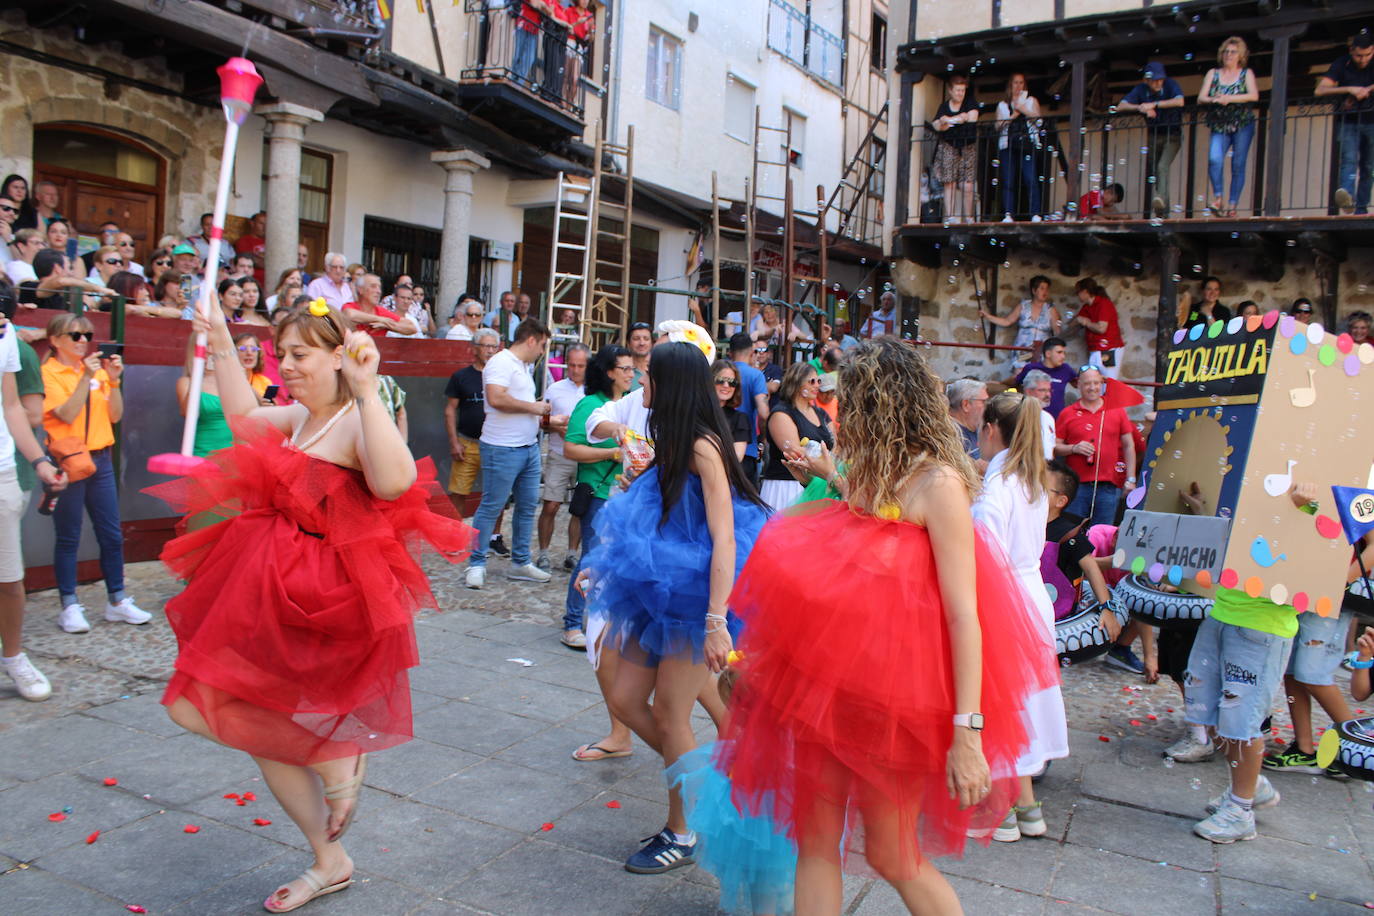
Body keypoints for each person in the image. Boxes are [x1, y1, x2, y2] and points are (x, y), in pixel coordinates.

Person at [148, 298, 472, 912]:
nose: (287, 366)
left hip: (325, 599)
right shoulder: (302, 416)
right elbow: (245, 419)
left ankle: (335, 798)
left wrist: (368, 386)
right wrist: (219, 334)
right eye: (282, 353)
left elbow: (397, 482)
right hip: (267, 587)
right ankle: (334, 814)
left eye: (300, 354)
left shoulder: (353, 418)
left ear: (337, 356)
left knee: (259, 715)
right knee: (218, 713)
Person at [720, 338, 1058, 913]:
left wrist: (967, 734)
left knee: (893, 856)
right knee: (816, 843)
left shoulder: (939, 485)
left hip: (894, 705)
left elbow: (963, 615)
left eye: (848, 406)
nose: (837, 417)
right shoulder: (864, 475)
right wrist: (750, 661)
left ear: (882, 407)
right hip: (827, 694)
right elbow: (827, 586)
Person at [581, 339, 769, 875]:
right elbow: (647, 510)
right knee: (624, 697)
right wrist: (605, 564)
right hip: (659, 585)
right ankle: (704, 785)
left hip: (696, 595)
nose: (642, 385)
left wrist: (716, 621)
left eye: (647, 377)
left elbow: (725, 538)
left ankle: (683, 829)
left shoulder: (705, 445)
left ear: (668, 385)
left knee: (671, 711)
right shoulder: (671, 436)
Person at [1184, 482, 1324, 843]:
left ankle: (1241, 810)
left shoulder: (1313, 498)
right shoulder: (1256, 484)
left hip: (1264, 627)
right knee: (1208, 712)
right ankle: (1251, 785)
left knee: (1241, 720)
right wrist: (1203, 508)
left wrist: (1302, 506)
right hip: (1224, 612)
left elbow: (1319, 546)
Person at [972, 391, 1067, 842]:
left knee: (996, 700)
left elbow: (983, 553)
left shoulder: (1000, 486)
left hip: (1002, 595)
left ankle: (1000, 811)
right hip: (1030, 596)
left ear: (990, 430)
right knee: (1019, 699)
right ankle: (1027, 807)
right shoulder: (1029, 480)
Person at [41, 312, 148, 634]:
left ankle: (117, 599)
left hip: (100, 458)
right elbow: (66, 413)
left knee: (111, 534)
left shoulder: (97, 373)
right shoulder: (50, 373)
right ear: (56, 340)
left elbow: (115, 415)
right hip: (69, 458)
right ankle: (69, 605)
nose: (83, 341)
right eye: (75, 336)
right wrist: (86, 382)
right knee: (69, 536)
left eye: (87, 335)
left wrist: (113, 380)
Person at [0, 293, 67, 700]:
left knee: (9, 579)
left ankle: (13, 658)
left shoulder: (6, 336)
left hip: (3, 468)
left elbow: (11, 408)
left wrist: (40, 461)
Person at [464, 319, 555, 589]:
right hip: (501, 447)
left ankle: (520, 562)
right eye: (542, 345)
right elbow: (496, 398)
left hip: (527, 447)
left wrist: (541, 415)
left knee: (527, 506)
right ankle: (476, 563)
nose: (542, 351)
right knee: (492, 506)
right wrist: (534, 408)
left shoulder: (522, 366)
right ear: (531, 340)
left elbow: (512, 403)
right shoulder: (501, 362)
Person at [561, 344, 632, 658]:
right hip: (598, 492)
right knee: (590, 560)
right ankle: (572, 622)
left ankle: (604, 621)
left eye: (634, 368)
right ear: (609, 372)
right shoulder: (591, 405)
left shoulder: (632, 404)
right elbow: (571, 449)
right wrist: (613, 453)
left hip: (627, 494)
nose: (633, 374)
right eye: (626, 368)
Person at [1053, 367, 1136, 529]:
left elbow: (1129, 444)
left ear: (1102, 384)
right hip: (1076, 486)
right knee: (1072, 532)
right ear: (1078, 385)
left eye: (1096, 383)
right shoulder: (1067, 413)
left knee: (1102, 534)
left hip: (1108, 486)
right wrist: (1073, 448)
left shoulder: (1116, 410)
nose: (1092, 387)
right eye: (1087, 383)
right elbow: (1055, 447)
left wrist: (1131, 478)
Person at [443, 328, 502, 534]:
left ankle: (495, 537)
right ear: (475, 349)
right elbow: (450, 411)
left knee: (497, 492)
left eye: (494, 346)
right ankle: (454, 535)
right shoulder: (461, 376)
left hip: (496, 443)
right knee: (458, 491)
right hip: (467, 443)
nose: (490, 350)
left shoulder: (502, 376)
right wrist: (454, 442)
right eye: (485, 346)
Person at [538, 342, 588, 575]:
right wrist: (556, 426)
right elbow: (542, 420)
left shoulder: (594, 391)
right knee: (551, 504)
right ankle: (543, 553)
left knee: (580, 508)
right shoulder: (555, 388)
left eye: (581, 365)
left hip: (584, 455)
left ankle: (571, 553)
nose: (576, 370)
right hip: (559, 453)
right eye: (572, 365)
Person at [760, 362, 833, 513]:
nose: (817, 385)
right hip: (786, 485)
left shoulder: (821, 414)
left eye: (818, 381)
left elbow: (835, 445)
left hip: (818, 484)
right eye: (811, 381)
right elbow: (794, 452)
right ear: (797, 383)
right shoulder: (781, 413)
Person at [1198, 37, 1259, 218]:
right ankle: (1218, 198)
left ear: (1240, 55)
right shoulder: (1213, 73)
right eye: (1226, 51)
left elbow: (1254, 95)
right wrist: (1215, 99)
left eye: (1233, 52)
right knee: (1214, 159)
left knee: (1238, 164)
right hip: (1220, 124)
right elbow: (1201, 97)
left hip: (1243, 124)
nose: (1228, 55)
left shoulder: (1245, 74)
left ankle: (1232, 205)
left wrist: (1229, 98)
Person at [1117, 61, 1186, 217]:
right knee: (1156, 171)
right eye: (1154, 79)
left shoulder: (1171, 84)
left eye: (1160, 79)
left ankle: (1161, 205)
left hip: (1172, 135)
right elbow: (1121, 106)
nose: (1158, 82)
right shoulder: (1141, 89)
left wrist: (1153, 105)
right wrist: (1141, 107)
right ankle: (1163, 210)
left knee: (1162, 166)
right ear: (1146, 80)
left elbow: (1179, 101)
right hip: (1154, 135)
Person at [1317, 32, 1374, 215]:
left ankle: (1361, 208)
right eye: (1359, 55)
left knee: (1369, 166)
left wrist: (1366, 90)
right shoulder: (1342, 63)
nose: (1363, 59)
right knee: (1348, 160)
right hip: (1348, 120)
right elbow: (1320, 89)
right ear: (1351, 51)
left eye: (1368, 55)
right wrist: (1350, 89)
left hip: (1372, 122)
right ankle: (1347, 197)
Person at [980, 275, 1061, 368]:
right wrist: (987, 316)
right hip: (1023, 349)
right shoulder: (1023, 306)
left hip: (1041, 351)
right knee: (1019, 373)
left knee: (1040, 375)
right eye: (1042, 288)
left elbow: (1057, 332)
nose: (1045, 292)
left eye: (1047, 289)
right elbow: (1007, 321)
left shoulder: (1051, 309)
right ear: (1034, 290)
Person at [931, 74, 981, 223]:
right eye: (958, 90)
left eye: (962, 90)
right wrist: (950, 121)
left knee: (968, 184)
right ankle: (951, 216)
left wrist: (949, 121)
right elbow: (936, 124)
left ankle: (969, 217)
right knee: (949, 182)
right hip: (949, 146)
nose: (960, 93)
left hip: (967, 146)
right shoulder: (944, 106)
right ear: (951, 91)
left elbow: (972, 117)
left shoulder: (970, 102)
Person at [998, 72, 1045, 222]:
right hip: (1008, 144)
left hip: (1027, 143)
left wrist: (1022, 109)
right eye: (1015, 83)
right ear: (1010, 86)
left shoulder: (1031, 101)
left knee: (1030, 178)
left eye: (1021, 83)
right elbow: (998, 126)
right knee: (1008, 180)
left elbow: (1039, 122)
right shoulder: (1003, 104)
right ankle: (1008, 214)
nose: (1018, 86)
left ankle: (1035, 213)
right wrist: (1013, 115)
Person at [728, 333, 769, 482]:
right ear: (752, 353)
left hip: (717, 446)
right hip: (746, 448)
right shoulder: (755, 376)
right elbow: (764, 413)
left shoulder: (718, 372)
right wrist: (762, 438)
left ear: (729, 353)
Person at [1073, 278, 1125, 378]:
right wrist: (1077, 320)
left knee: (1108, 382)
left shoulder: (1103, 304)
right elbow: (1074, 323)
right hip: (1096, 350)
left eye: (1077, 292)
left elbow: (1101, 328)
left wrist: (1086, 322)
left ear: (1085, 292)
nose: (1077, 295)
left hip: (1109, 349)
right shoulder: (1087, 307)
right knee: (1094, 381)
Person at [1014, 336, 1077, 416]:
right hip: (1033, 418)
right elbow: (1016, 382)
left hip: (1057, 420)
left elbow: (1078, 383)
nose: (1063, 357)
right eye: (1059, 352)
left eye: (1064, 353)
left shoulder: (1065, 369)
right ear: (1048, 354)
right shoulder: (1031, 368)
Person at [344, 274, 417, 338]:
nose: (378, 291)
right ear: (360, 290)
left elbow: (412, 327)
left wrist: (387, 325)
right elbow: (349, 315)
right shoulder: (351, 306)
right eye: (373, 286)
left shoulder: (381, 311)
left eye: (379, 287)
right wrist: (381, 319)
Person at [946, 377, 988, 468]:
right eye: (984, 402)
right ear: (966, 405)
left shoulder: (975, 427)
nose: (987, 407)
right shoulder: (949, 435)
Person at [1021, 369, 1058, 459]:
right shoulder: (1017, 415)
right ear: (1028, 392)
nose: (1048, 395)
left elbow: (1050, 450)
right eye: (1042, 390)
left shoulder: (1048, 417)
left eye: (1049, 390)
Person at [235, 211, 267, 284]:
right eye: (261, 223)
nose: (265, 227)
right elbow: (252, 260)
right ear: (252, 223)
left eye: (266, 224)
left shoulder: (270, 242)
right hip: (252, 282)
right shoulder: (243, 241)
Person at [627, 321, 653, 388]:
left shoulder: (657, 369)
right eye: (636, 339)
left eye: (646, 339)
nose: (642, 343)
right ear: (628, 343)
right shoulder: (624, 371)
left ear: (652, 343)